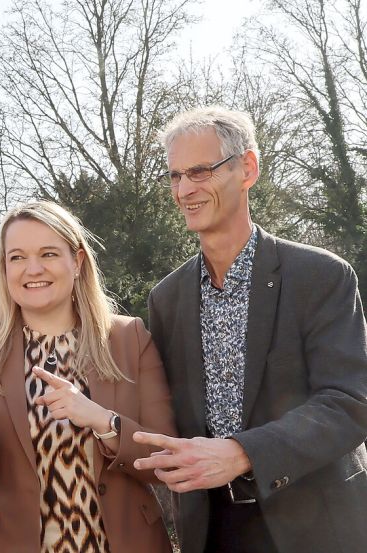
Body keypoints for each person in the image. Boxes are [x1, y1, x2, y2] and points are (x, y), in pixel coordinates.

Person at [134, 106, 367, 553]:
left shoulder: (321, 276)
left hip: (318, 527)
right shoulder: (166, 300)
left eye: (200, 171)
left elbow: (348, 403)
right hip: (214, 531)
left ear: (248, 168)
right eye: (175, 176)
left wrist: (243, 452)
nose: (184, 189)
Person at [0, 200, 176, 553]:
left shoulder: (129, 339)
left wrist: (102, 421)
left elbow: (163, 458)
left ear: (78, 261)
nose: (32, 269)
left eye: (49, 254)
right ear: (4, 268)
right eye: (17, 257)